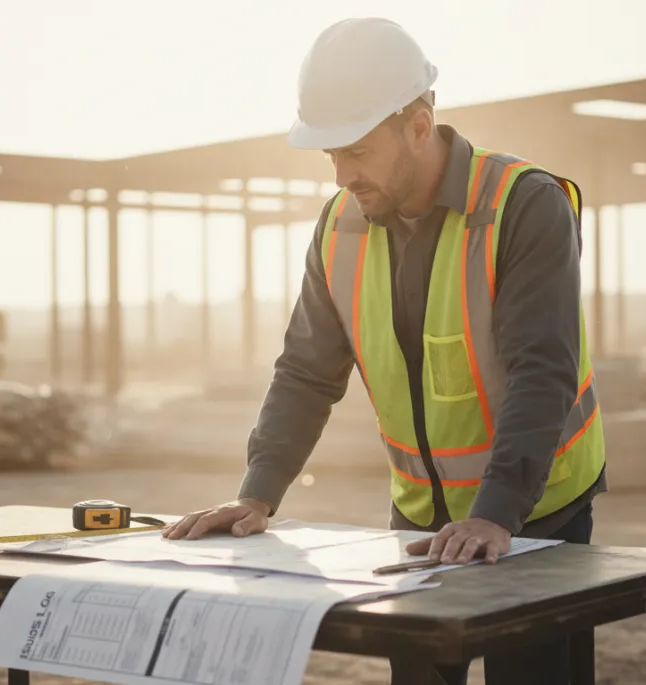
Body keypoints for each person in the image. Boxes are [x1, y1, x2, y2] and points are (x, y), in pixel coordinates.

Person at [163, 16, 608, 685]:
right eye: (330, 156)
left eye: (357, 151)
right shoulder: (339, 227)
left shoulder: (523, 205)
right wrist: (258, 493)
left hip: (538, 513)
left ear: (419, 126)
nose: (343, 175)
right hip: (419, 520)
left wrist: (497, 513)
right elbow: (306, 371)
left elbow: (541, 369)